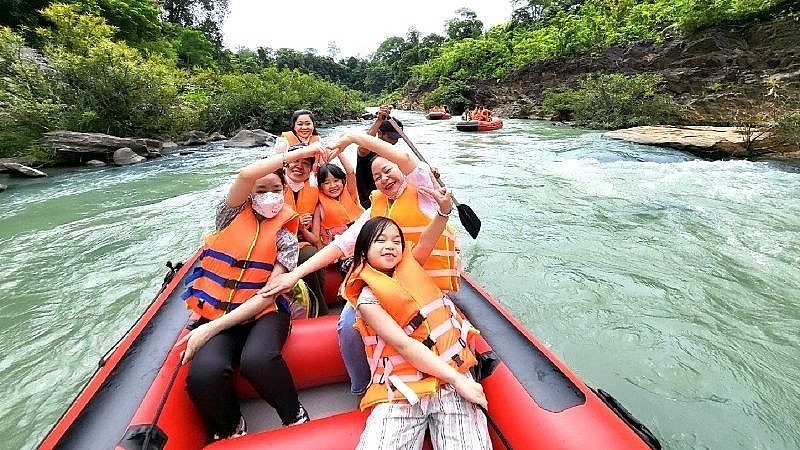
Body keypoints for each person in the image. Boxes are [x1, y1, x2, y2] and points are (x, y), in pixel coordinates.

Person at [261, 131, 461, 395]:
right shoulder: (375, 211)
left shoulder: (424, 193)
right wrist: (294, 274)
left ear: (400, 171)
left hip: (427, 285)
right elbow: (340, 246)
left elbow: (402, 157)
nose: (383, 179)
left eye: (388, 171)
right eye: (377, 177)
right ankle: (362, 386)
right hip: (387, 286)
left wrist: (353, 137)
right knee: (346, 324)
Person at [177, 146, 323, 441]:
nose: (270, 195)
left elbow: (269, 294)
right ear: (249, 194)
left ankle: (294, 415)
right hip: (217, 309)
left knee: (259, 359)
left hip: (264, 312)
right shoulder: (228, 216)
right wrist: (309, 150)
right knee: (204, 375)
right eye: (261, 189)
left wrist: (210, 330)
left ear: (284, 189)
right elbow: (245, 175)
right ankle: (232, 427)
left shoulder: (285, 235)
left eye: (276, 189)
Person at [343, 211, 490, 449]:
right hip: (402, 387)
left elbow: (428, 239)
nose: (390, 246)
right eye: (380, 240)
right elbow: (404, 344)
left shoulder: (413, 267)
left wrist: (443, 211)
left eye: (396, 241)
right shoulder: (367, 300)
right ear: (363, 251)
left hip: (450, 374)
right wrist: (457, 380)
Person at [276, 109, 327, 316]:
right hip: (275, 243)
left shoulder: (314, 187)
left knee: (310, 255)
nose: (299, 167)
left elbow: (346, 177)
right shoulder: (275, 185)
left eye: (305, 163)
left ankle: (317, 311)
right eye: (295, 162)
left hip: (302, 241)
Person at [354, 105, 403, 209]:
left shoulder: (394, 154)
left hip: (391, 200)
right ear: (380, 133)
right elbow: (364, 144)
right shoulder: (368, 152)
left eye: (397, 138)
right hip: (371, 203)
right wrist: (379, 121)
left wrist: (429, 174)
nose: (395, 141)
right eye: (391, 137)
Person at [311, 155, 363, 248]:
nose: (333, 185)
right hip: (335, 247)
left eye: (336, 180)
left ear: (343, 181)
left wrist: (340, 152)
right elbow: (316, 235)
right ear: (320, 187)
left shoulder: (350, 193)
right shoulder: (319, 207)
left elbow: (350, 172)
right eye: (326, 183)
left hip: (357, 242)